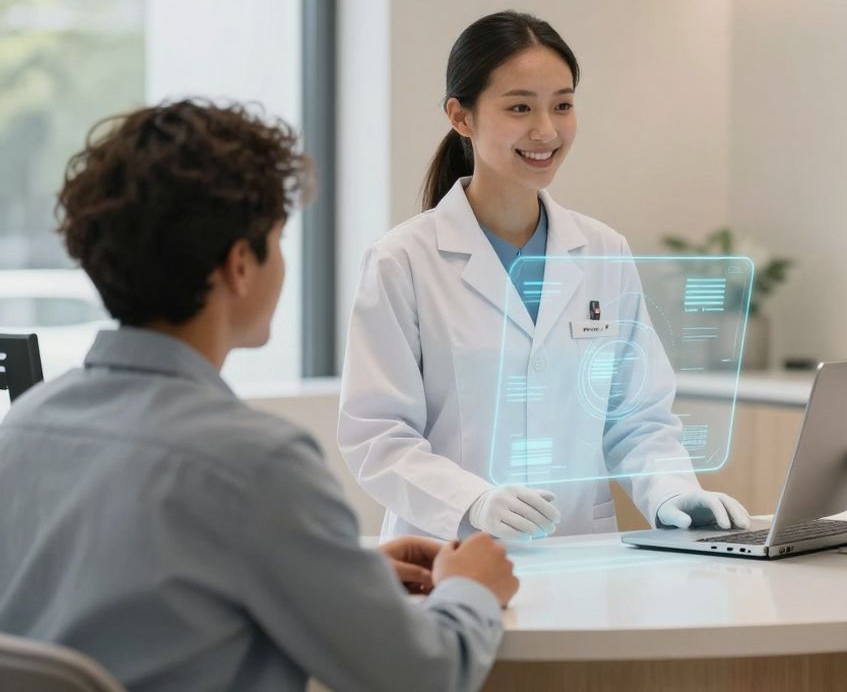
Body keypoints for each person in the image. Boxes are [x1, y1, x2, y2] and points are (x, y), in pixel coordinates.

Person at [0, 100, 519, 692]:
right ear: (240, 266)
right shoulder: (257, 464)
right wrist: (470, 587)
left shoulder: (23, 429)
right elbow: (425, 676)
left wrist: (332, 576)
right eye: (277, 238)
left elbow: (121, 608)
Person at [338, 10, 750, 541]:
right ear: (461, 117)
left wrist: (672, 490)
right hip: (449, 551)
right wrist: (474, 500)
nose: (546, 130)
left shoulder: (604, 251)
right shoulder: (403, 260)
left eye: (562, 105)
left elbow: (636, 416)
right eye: (519, 107)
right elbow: (377, 435)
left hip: (576, 550)